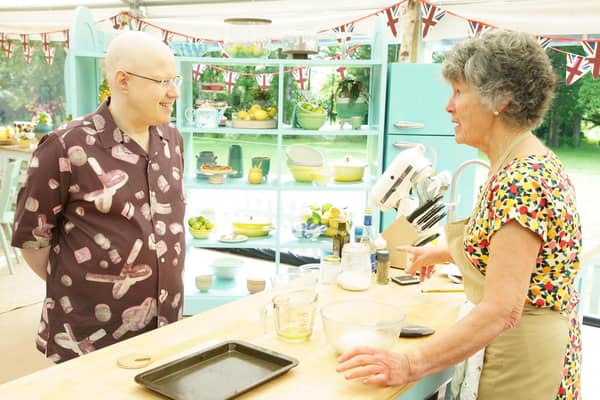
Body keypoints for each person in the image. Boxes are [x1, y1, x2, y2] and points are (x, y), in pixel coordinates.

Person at [336, 31, 582, 399]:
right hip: (522, 347)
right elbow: (521, 255)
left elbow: (501, 310)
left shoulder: (521, 180)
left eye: (459, 92)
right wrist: (446, 252)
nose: (448, 107)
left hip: (522, 360)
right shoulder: (520, 163)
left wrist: (409, 363)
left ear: (501, 98)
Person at [11, 31, 186, 363]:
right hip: (89, 338)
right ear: (123, 81)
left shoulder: (172, 139)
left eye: (173, 79)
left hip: (165, 328)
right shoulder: (64, 146)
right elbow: (33, 242)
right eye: (163, 81)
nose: (173, 92)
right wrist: (82, 285)